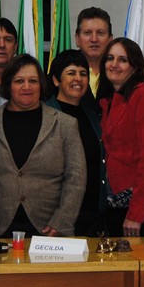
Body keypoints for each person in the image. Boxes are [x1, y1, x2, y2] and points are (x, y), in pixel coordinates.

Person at [0, 54, 85, 237]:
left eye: (33, 81)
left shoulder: (65, 124)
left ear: (41, 85)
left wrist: (61, 221)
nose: (26, 87)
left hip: (49, 229)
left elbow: (76, 179)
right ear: (8, 85)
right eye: (19, 81)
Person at [99, 37, 144, 237]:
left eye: (122, 60)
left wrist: (136, 214)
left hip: (140, 207)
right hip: (114, 203)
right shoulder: (109, 99)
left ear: (135, 67)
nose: (114, 64)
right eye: (110, 58)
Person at [45, 49, 105, 236]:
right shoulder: (45, 115)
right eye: (71, 73)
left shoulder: (93, 116)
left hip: (94, 213)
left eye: (83, 74)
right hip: (57, 217)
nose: (78, 79)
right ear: (56, 80)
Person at [74, 7, 113, 110]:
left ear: (110, 40)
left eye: (100, 33)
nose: (94, 39)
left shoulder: (119, 72)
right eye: (87, 33)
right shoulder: (63, 72)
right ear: (77, 39)